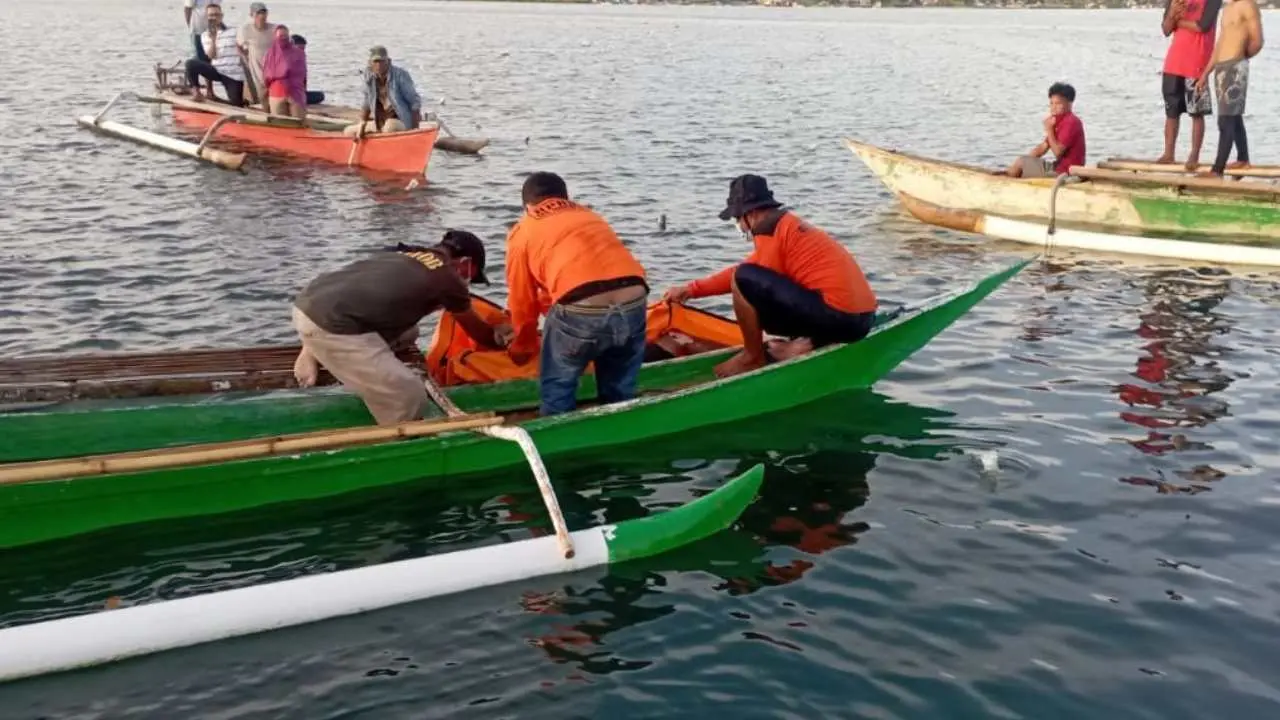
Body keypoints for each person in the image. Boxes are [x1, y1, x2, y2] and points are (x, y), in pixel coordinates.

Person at [663, 175, 878, 379]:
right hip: (862, 319)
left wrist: (696, 289)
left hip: (840, 320)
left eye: (738, 218)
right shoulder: (785, 226)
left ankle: (751, 357)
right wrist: (692, 289)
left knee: (743, 281)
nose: (739, 224)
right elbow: (751, 268)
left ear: (751, 213)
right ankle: (807, 344)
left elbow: (743, 278)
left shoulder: (769, 229)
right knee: (747, 277)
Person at [291, 231, 505, 426]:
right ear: (466, 264)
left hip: (309, 304)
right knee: (409, 395)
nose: (468, 283)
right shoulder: (449, 277)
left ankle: (311, 347)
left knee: (410, 333)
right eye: (472, 277)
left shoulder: (405, 253)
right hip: (331, 326)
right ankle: (398, 438)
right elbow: (480, 334)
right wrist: (504, 336)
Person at [502, 172, 650, 416]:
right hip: (634, 296)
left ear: (527, 205)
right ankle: (620, 420)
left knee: (557, 388)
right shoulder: (589, 215)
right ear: (565, 198)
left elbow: (522, 302)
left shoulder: (523, 231)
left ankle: (555, 436)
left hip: (582, 306)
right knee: (620, 388)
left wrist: (523, 346)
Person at [1197, 0, 1264, 177]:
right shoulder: (1227, 9)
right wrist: (1205, 73)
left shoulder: (1248, 5)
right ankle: (1243, 159)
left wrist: (1239, 59)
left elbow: (1257, 41)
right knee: (1232, 117)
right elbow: (1220, 43)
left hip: (1235, 67)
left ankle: (1217, 170)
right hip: (1221, 68)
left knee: (1227, 120)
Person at [1159, 0, 1221, 168]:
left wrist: (1177, 21)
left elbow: (1203, 26)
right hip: (1173, 62)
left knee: (1197, 112)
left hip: (1197, 62)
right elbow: (1166, 29)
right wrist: (1172, 14)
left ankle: (1194, 155)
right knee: (1171, 111)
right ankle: (1168, 153)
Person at [1003, 83, 1087, 178]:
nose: (1053, 107)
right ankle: (1010, 176)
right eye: (1051, 103)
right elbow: (1042, 148)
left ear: (1069, 104)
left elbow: (1058, 152)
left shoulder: (1071, 122)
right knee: (1021, 162)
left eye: (1058, 103)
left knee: (1020, 163)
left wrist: (1049, 129)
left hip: (1067, 173)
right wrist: (1026, 160)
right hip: (1058, 168)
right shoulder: (1059, 121)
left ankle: (1004, 183)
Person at [343, 46, 422, 137]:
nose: (379, 65)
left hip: (401, 121)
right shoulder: (369, 77)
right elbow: (367, 103)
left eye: (382, 61)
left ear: (388, 61)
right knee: (348, 131)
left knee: (389, 127)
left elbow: (415, 102)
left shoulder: (400, 75)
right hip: (380, 123)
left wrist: (415, 130)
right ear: (370, 63)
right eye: (375, 62)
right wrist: (362, 124)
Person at [183, 4, 245, 107]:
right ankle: (196, 91)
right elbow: (211, 56)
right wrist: (214, 39)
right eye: (211, 15)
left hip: (234, 75)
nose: (214, 18)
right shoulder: (205, 35)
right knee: (190, 64)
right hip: (217, 70)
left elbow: (244, 47)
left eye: (216, 15)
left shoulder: (234, 31)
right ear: (206, 17)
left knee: (237, 104)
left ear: (221, 16)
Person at [236, 1, 276, 111]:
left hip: (273, 67)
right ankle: (266, 114)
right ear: (252, 15)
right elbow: (238, 45)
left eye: (264, 12)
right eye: (258, 13)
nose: (261, 16)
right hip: (256, 67)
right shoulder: (246, 29)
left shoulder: (274, 29)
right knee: (262, 94)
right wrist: (244, 57)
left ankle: (276, 114)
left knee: (274, 94)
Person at [262, 25, 307, 119]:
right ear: (275, 37)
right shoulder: (270, 54)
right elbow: (267, 76)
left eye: (285, 36)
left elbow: (303, 74)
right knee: (280, 125)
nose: (283, 39)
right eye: (280, 36)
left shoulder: (299, 53)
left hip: (295, 93)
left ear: (289, 37)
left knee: (298, 123)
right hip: (277, 93)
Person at [290, 34, 326, 105]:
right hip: (289, 94)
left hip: (297, 92)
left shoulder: (300, 61)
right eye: (300, 49)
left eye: (303, 49)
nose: (302, 52)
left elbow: (303, 82)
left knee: (320, 95)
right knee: (319, 96)